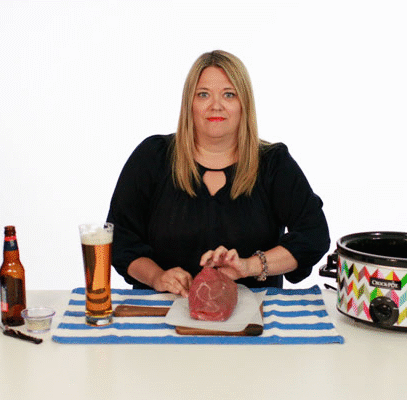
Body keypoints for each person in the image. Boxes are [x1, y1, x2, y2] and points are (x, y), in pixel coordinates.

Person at [106, 50, 330, 297]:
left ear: (244, 104)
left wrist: (248, 266)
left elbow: (314, 235)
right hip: (162, 310)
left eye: (229, 94)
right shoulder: (153, 157)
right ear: (189, 104)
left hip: (257, 314)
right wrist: (157, 277)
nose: (216, 105)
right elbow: (120, 239)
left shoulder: (274, 163)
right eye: (203, 94)